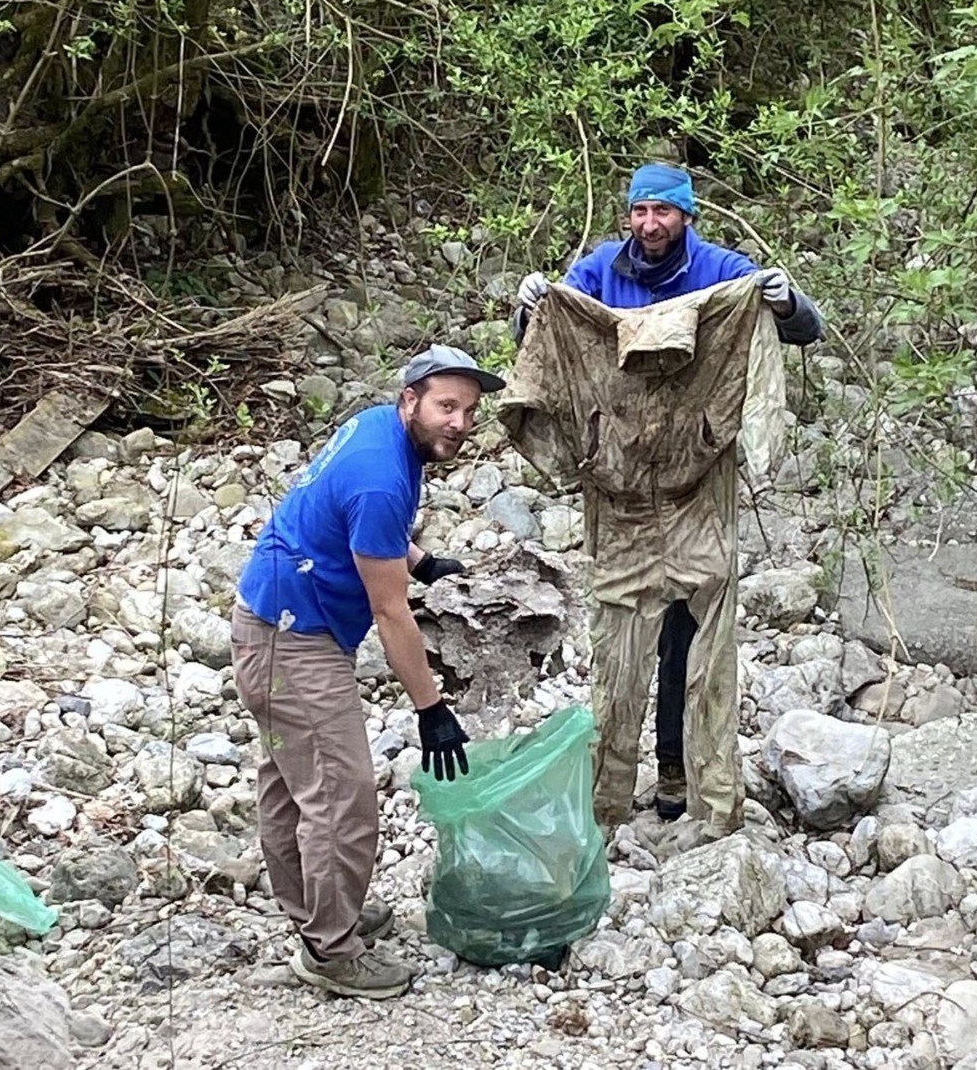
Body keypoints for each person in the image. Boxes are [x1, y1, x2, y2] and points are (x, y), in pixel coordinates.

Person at [513, 162, 823, 827]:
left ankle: (693, 784)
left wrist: (785, 301)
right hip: (618, 485)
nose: (650, 224)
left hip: (697, 482)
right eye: (641, 211)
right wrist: (530, 306)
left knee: (697, 639)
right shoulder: (599, 272)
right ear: (628, 215)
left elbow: (802, 330)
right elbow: (548, 343)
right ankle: (606, 799)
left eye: (663, 211)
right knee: (617, 643)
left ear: (686, 215)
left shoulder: (720, 270)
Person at [230, 344, 506, 999]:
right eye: (446, 406)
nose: (459, 422)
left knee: (292, 785)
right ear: (410, 399)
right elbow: (390, 613)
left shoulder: (376, 428)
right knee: (341, 799)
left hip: (267, 624)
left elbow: (353, 523)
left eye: (469, 411)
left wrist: (420, 561)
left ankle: (321, 916)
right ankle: (331, 952)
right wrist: (431, 710)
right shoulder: (383, 475)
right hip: (295, 643)